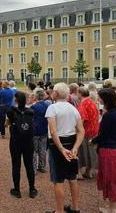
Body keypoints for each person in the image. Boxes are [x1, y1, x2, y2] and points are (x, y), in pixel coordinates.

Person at [45, 83, 84, 213]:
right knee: (72, 177)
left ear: (56, 93)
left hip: (57, 144)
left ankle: (59, 210)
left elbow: (53, 131)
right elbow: (81, 131)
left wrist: (61, 149)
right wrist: (76, 147)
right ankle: (75, 207)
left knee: (58, 179)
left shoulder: (52, 108)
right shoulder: (73, 108)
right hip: (72, 142)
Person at [92, 88, 116, 213]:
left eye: (100, 97)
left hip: (108, 150)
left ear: (105, 99)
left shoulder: (108, 115)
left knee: (111, 179)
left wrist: (94, 141)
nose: (98, 99)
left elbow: (104, 134)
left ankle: (112, 208)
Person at [6, 91, 38, 199]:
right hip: (28, 142)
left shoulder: (11, 111)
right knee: (29, 165)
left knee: (16, 165)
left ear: (16, 99)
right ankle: (32, 189)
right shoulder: (31, 111)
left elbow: (7, 122)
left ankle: (17, 189)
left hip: (15, 142)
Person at [77, 87, 99, 179]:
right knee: (91, 153)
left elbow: (82, 119)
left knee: (81, 152)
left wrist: (77, 131)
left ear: (80, 94)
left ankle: (79, 173)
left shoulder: (83, 104)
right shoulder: (92, 103)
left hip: (85, 132)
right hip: (94, 131)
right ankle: (89, 171)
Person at [31, 88, 49, 173]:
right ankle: (42, 166)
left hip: (35, 130)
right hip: (44, 129)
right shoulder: (47, 105)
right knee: (43, 149)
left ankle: (34, 168)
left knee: (34, 150)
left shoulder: (34, 107)